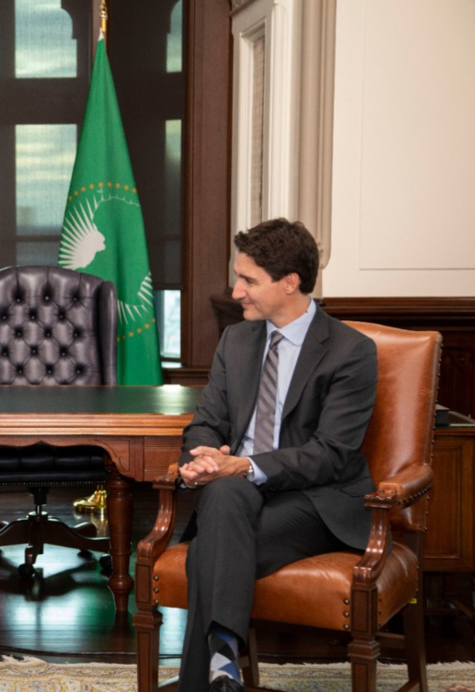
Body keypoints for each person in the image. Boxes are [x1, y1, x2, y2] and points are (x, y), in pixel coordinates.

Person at [177, 219, 378, 692]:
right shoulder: (237, 341)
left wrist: (243, 466)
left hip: (315, 501)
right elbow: (206, 421)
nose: (236, 290)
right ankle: (223, 662)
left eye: (248, 279)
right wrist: (203, 456)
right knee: (225, 496)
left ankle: (210, 674)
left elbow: (331, 454)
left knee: (210, 548)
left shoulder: (351, 351)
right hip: (235, 496)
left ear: (290, 282)